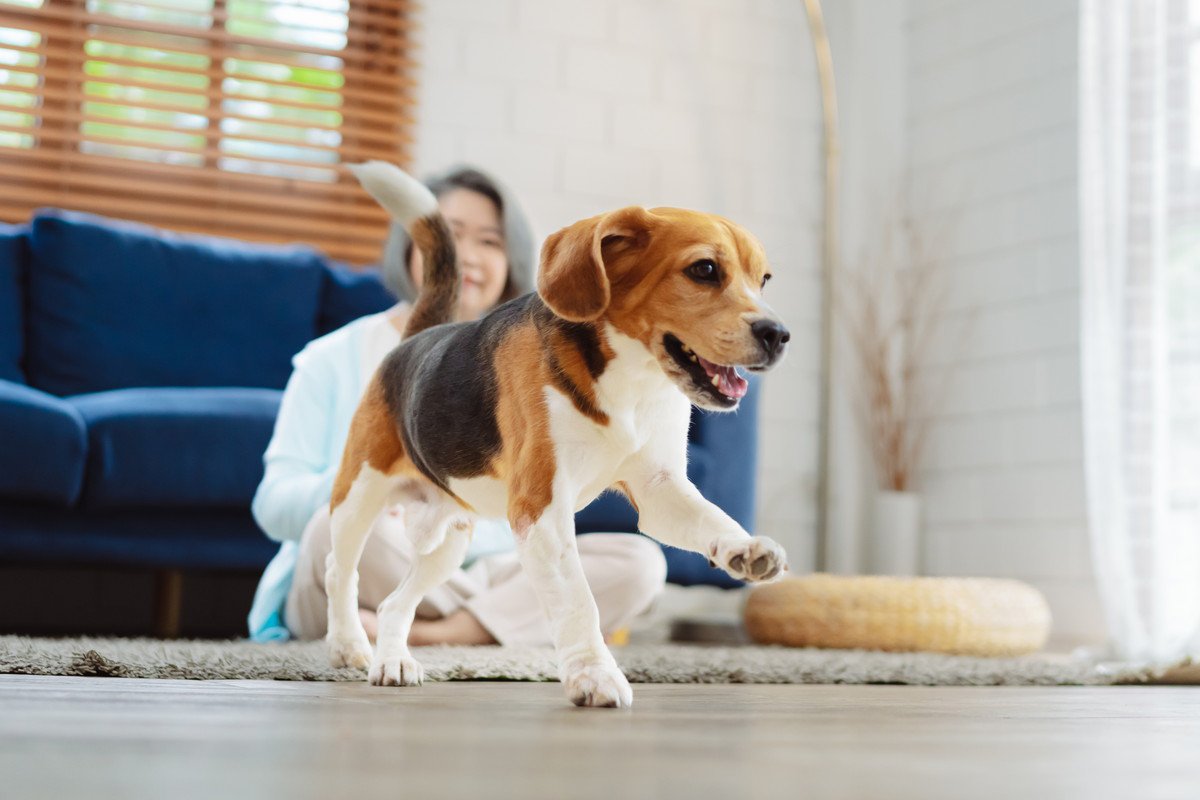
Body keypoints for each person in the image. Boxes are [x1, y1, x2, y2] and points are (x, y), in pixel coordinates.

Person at [247, 165, 668, 644]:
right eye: (450, 235)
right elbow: (273, 506)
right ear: (410, 245)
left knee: (639, 563)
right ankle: (497, 627)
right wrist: (377, 472)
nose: (467, 256)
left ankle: (434, 633)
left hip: (491, 568)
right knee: (331, 528)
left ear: (512, 259)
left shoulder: (527, 362)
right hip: (374, 559)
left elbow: (536, 515)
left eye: (490, 241)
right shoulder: (330, 358)